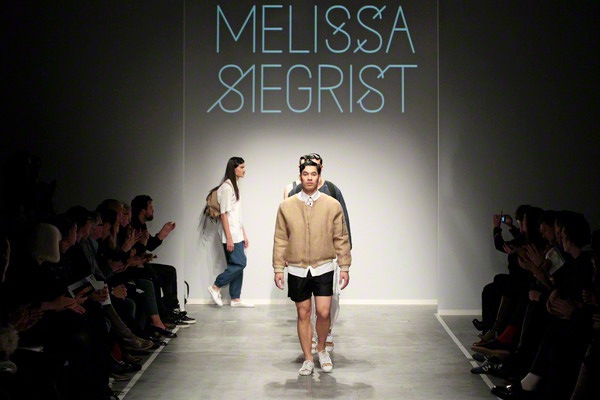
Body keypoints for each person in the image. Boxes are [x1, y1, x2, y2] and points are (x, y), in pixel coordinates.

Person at [273, 160, 351, 375]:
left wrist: (344, 265)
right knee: (303, 313)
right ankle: (308, 358)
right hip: (297, 267)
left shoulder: (331, 205)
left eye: (313, 174)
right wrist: (278, 268)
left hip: (324, 265)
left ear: (319, 177)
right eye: (305, 174)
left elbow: (341, 237)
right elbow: (280, 237)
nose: (309, 177)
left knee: (324, 312)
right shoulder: (286, 206)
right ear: (300, 177)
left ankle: (322, 349)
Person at [207, 157, 253, 308]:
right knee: (240, 263)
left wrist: (243, 234)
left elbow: (236, 214)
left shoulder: (234, 186)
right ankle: (216, 286)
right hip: (230, 234)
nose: (244, 170)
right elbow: (224, 214)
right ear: (233, 169)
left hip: (236, 232)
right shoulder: (227, 188)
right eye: (241, 167)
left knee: (236, 265)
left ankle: (235, 298)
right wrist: (229, 237)